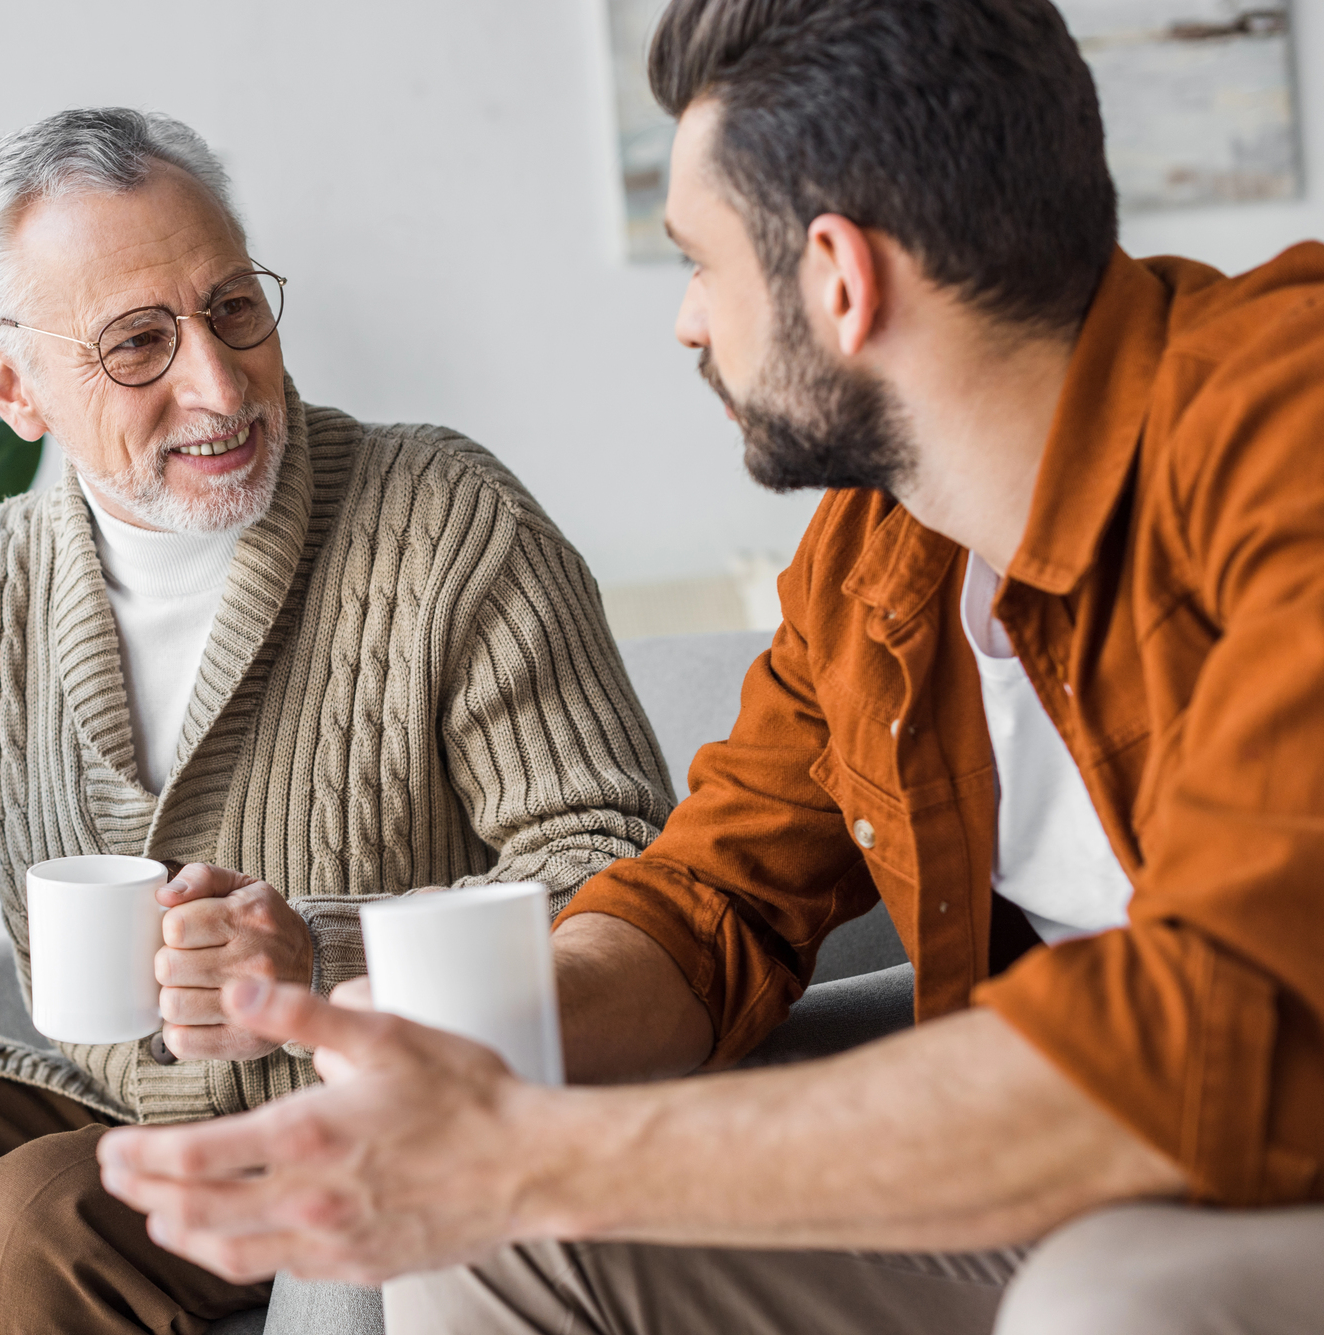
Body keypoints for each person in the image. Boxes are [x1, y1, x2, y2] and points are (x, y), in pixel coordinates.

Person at [95, 4, 1324, 1331]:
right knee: (492, 1244)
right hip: (1080, 1171)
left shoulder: (1284, 427)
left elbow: (1229, 1026)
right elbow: (710, 906)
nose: (688, 321)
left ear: (840, 279)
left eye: (701, 262)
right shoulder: (872, 559)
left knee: (1108, 1300)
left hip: (1259, 1160)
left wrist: (529, 1149)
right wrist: (472, 1026)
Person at [0, 107, 671, 1334]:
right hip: (91, 1102)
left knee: (46, 1206)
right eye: (138, 344)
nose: (217, 384)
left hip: (362, 1098)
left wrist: (319, 956)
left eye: (232, 310)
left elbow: (622, 877)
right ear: (15, 382)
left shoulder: (444, 521)